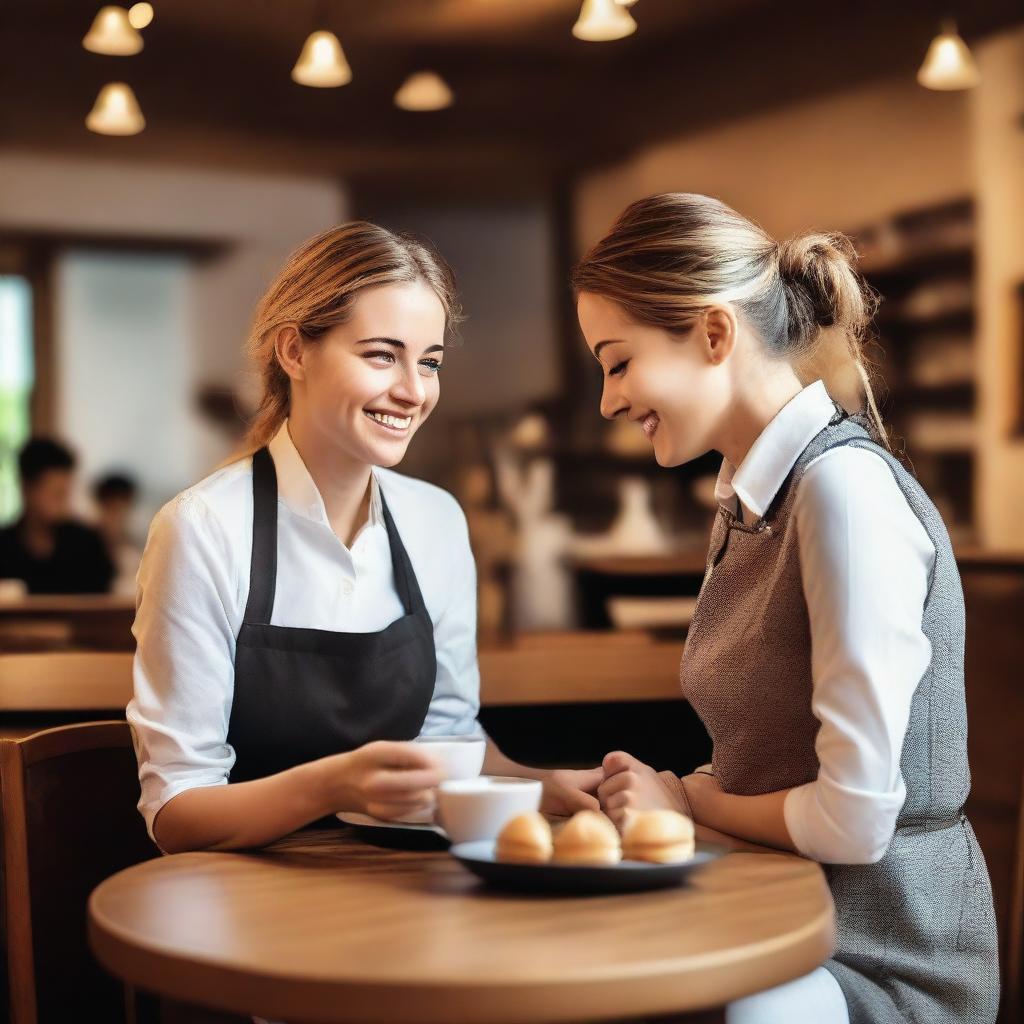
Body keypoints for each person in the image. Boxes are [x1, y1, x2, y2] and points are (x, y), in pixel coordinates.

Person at [572, 194, 999, 1024]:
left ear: (714, 333)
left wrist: (688, 806)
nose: (608, 401)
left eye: (618, 362)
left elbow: (854, 821)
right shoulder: (750, 497)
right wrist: (673, 793)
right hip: (783, 911)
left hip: (881, 955)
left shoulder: (840, 491)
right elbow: (777, 767)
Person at [128, 222, 602, 855]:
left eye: (429, 362)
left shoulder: (436, 521)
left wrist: (542, 786)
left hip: (401, 878)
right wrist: (332, 786)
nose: (412, 391)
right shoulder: (203, 528)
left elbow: (445, 738)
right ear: (293, 352)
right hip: (238, 891)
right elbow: (176, 814)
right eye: (382, 354)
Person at [0, 437, 114, 594]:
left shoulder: (87, 544)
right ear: (27, 489)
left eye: (66, 493)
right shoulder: (5, 546)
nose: (63, 503)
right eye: (56, 494)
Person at [93, 472, 143, 595]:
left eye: (123, 509)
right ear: (101, 506)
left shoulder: (134, 546)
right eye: (113, 508)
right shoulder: (88, 544)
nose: (118, 516)